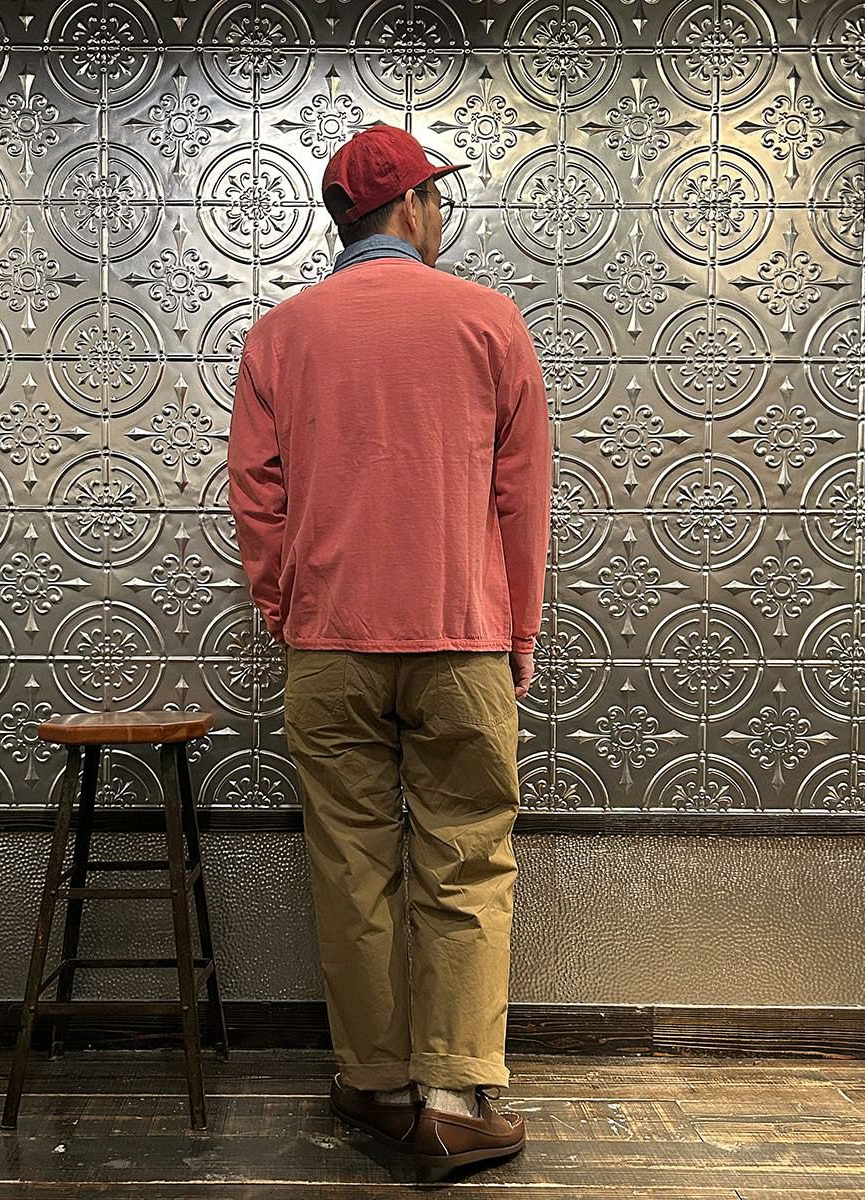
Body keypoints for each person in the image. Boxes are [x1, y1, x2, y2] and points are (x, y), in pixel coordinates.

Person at [227, 121, 552, 1180]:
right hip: (462, 638)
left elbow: (257, 496)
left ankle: (372, 1084)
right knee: (467, 858)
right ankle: (456, 1101)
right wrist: (518, 631)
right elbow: (523, 495)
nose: (440, 215)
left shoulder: (280, 335)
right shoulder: (489, 321)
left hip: (330, 644)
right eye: (436, 199)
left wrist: (286, 610)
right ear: (410, 207)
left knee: (352, 864)